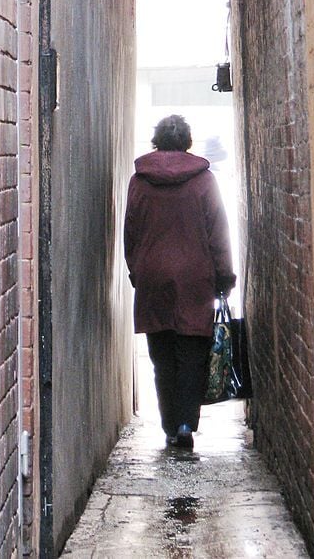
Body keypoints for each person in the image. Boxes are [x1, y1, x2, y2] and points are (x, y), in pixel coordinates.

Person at [124, 114, 236, 450]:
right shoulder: (204, 181)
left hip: (153, 277)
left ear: (156, 140)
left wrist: (137, 271)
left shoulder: (140, 181)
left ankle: (170, 426)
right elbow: (218, 232)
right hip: (195, 278)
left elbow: (131, 231)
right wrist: (224, 276)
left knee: (161, 357)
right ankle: (187, 423)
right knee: (192, 354)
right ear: (187, 142)